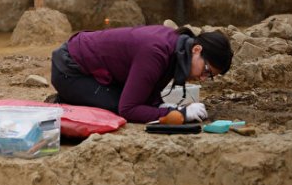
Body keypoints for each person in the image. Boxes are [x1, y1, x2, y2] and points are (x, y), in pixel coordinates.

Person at [50, 25, 233, 124]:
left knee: (140, 103)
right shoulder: (157, 52)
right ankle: (66, 98)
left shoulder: (176, 50)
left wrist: (161, 105)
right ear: (197, 50)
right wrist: (179, 113)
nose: (203, 78)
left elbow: (148, 90)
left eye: (209, 77)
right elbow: (128, 109)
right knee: (117, 109)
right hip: (70, 69)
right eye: (206, 71)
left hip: (98, 72)